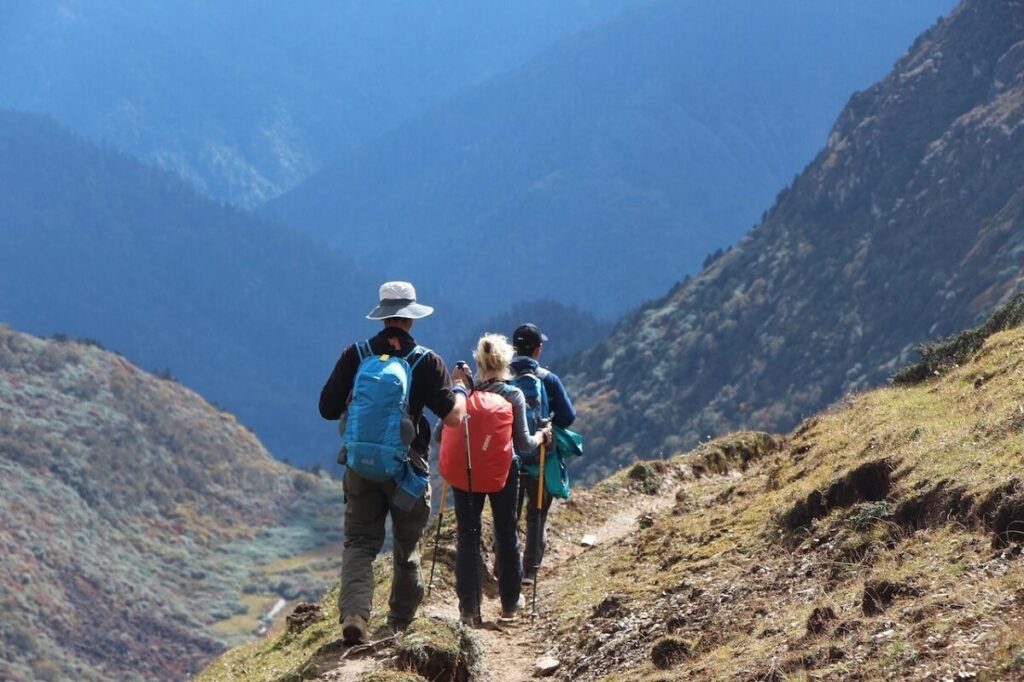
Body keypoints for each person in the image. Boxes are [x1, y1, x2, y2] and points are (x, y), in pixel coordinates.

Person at [319, 281, 469, 645]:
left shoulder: (355, 355)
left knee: (359, 543)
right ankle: (399, 621)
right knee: (407, 547)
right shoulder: (427, 361)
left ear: (383, 315)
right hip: (407, 471)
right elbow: (453, 419)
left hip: (361, 468)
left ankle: (355, 614)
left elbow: (326, 409)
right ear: (411, 319)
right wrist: (461, 387)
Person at [449, 334, 550, 624]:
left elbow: (439, 435)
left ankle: (468, 608)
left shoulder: (465, 395)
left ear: (478, 363)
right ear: (506, 362)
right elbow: (523, 442)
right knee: (506, 534)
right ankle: (509, 604)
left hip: (467, 472)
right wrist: (542, 436)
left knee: (468, 536)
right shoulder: (513, 394)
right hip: (504, 471)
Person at [510, 323, 576, 585]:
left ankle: (506, 567)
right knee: (537, 512)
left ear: (513, 349)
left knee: (509, 515)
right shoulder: (548, 379)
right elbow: (568, 417)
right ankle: (530, 570)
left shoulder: (502, 377)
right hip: (540, 456)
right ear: (538, 349)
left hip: (509, 458)